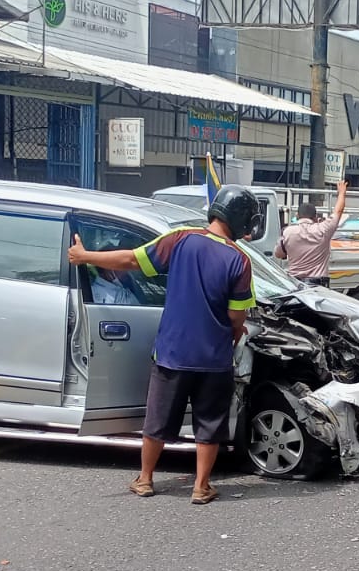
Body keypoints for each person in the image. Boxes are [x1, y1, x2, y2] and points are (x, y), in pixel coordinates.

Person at [68, 184, 260, 503]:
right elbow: (237, 318)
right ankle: (201, 486)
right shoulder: (239, 260)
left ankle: (145, 479)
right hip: (214, 359)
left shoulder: (180, 239)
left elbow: (131, 260)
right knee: (209, 425)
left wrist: (84, 256)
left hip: (172, 353)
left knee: (156, 420)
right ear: (240, 219)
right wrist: (231, 332)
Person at [275, 180, 348, 288]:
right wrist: (341, 193)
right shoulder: (323, 229)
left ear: (297, 216)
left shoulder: (287, 232)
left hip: (295, 285)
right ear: (315, 217)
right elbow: (338, 211)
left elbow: (278, 254)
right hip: (318, 286)